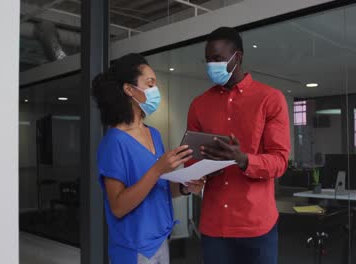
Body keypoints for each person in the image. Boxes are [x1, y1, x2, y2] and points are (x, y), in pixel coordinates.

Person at [187, 27, 291, 264]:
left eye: (218, 59)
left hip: (257, 225)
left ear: (238, 57)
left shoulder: (270, 99)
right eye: (208, 60)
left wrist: (243, 159)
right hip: (214, 226)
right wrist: (201, 166)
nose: (211, 65)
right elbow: (191, 159)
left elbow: (280, 161)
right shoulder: (198, 105)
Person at [93, 53, 205, 264]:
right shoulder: (113, 143)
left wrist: (184, 187)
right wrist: (157, 169)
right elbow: (118, 206)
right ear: (129, 89)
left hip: (161, 240)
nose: (155, 90)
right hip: (134, 247)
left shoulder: (153, 134)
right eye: (150, 83)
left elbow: (158, 189)